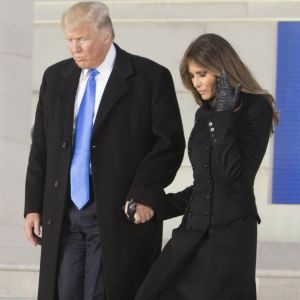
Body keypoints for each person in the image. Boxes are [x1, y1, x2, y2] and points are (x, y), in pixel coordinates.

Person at [23, 2, 185, 300]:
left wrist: (145, 192)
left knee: (104, 292)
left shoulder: (149, 78)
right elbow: (42, 146)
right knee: (65, 292)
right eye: (69, 40)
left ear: (106, 35)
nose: (75, 48)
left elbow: (169, 144)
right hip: (65, 213)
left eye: (82, 38)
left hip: (117, 213)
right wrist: (33, 204)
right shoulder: (55, 78)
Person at [135, 33, 279, 300]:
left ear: (223, 70)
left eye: (202, 73)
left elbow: (235, 176)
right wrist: (158, 206)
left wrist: (224, 116)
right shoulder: (205, 113)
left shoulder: (256, 107)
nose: (196, 82)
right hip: (193, 231)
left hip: (229, 234)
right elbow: (205, 184)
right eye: (191, 76)